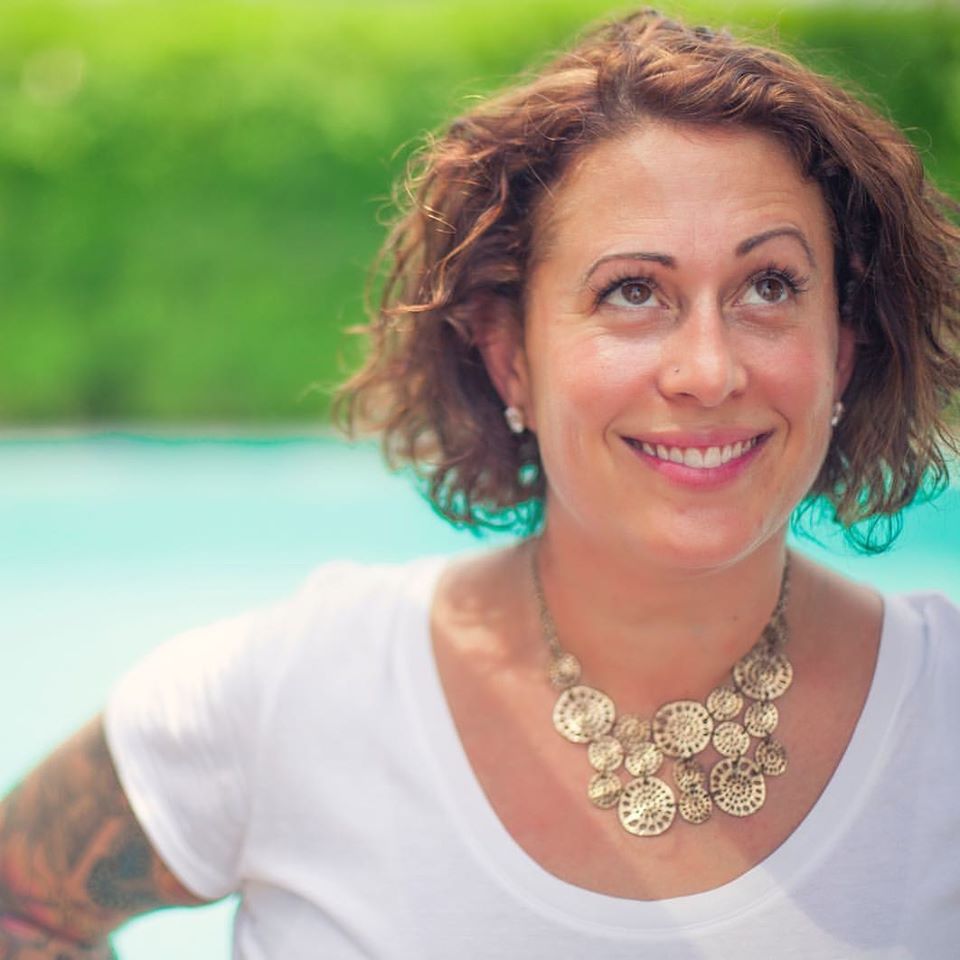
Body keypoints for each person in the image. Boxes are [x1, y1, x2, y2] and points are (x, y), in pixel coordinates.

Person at [2, 8, 959, 958]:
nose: (708, 370)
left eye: (770, 286)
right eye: (632, 291)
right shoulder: (297, 690)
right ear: (511, 358)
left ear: (843, 345)